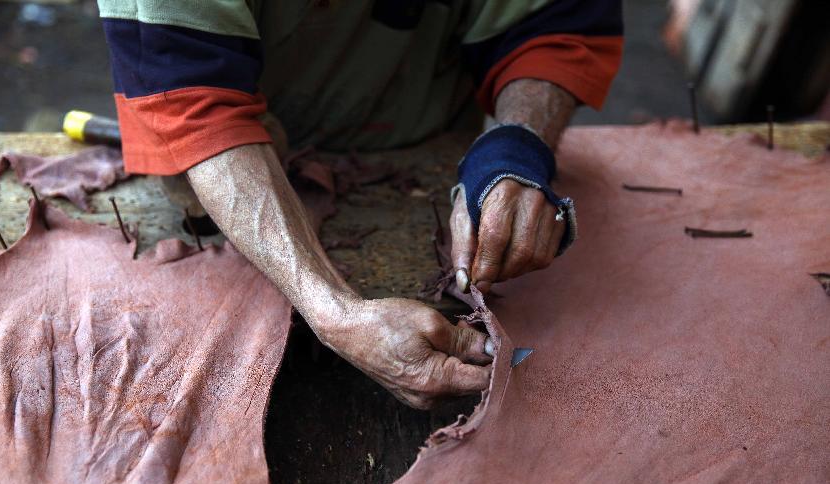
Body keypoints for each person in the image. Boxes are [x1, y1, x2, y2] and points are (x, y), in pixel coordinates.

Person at [98, 0, 623, 409]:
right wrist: (336, 313)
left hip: (429, 133)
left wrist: (518, 144)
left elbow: (555, 24)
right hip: (239, 148)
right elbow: (193, 100)